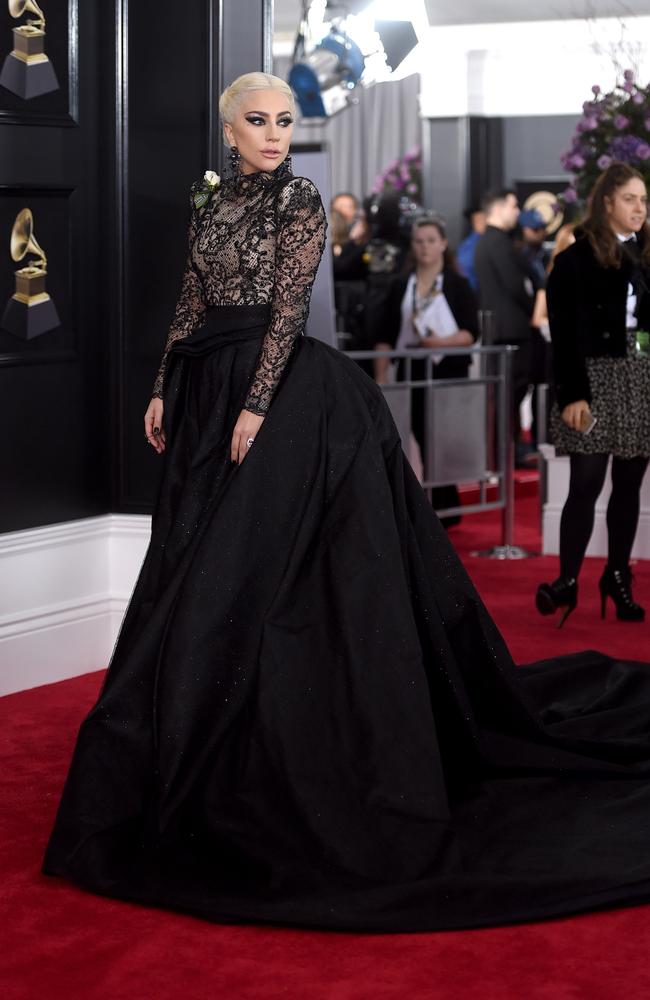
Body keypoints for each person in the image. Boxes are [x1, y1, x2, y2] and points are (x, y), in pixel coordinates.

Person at [44, 75, 650, 934]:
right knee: (194, 569)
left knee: (257, 572)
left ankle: (298, 745)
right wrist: (161, 387)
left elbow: (289, 307)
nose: (275, 133)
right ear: (228, 127)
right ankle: (189, 746)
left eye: (285, 121)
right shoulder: (210, 199)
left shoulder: (299, 197)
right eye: (258, 121)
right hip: (207, 385)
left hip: (288, 398)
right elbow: (191, 294)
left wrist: (256, 404)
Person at [537, 162, 650, 626]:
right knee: (584, 485)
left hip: (640, 376)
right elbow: (564, 336)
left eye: (644, 200)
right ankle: (567, 581)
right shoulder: (573, 261)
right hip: (591, 381)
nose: (640, 208)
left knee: (629, 486)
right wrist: (571, 395)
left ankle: (617, 577)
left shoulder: (648, 257)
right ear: (607, 202)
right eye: (630, 199)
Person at [375, 216, 479, 525]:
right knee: (418, 434)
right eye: (419, 241)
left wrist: (439, 343)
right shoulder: (399, 285)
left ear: (443, 244)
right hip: (413, 371)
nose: (425, 247)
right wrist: (381, 378)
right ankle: (429, 505)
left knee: (443, 436)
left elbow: (471, 332)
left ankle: (446, 506)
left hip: (448, 373)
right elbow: (385, 332)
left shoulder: (458, 285)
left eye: (431, 240)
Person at [474, 189, 536, 464]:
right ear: (498, 209)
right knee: (509, 395)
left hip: (499, 330)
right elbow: (514, 285)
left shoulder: (488, 241)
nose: (518, 211)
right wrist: (533, 305)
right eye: (514, 205)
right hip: (510, 331)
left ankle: (504, 452)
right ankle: (508, 452)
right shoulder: (498, 243)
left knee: (504, 396)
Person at [457, 204, 486, 290]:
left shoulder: (492, 241)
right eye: (480, 219)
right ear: (473, 221)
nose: (485, 222)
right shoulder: (468, 246)